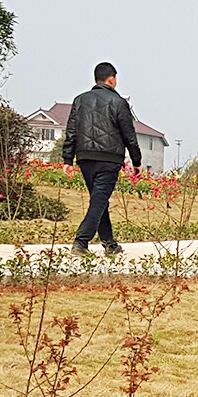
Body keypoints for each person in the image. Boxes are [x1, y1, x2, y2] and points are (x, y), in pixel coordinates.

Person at [62, 61, 142, 254]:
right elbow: (129, 135)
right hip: (109, 158)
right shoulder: (119, 102)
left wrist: (67, 159)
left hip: (85, 158)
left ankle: (109, 244)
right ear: (112, 79)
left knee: (99, 200)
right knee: (99, 200)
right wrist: (137, 161)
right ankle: (81, 241)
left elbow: (71, 131)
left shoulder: (80, 100)